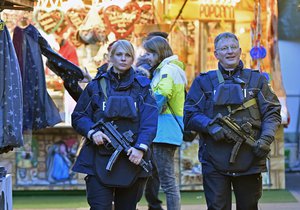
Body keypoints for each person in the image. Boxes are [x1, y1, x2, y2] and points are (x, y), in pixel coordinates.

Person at [184, 32, 282, 210]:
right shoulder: (204, 82)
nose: (229, 52)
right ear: (216, 54)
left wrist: (266, 139)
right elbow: (190, 114)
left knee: (249, 206)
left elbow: (272, 112)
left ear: (240, 51)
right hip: (213, 159)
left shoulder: (257, 80)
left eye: (233, 47)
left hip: (250, 157)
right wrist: (210, 126)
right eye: (224, 48)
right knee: (217, 207)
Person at [71, 40, 159, 210]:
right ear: (110, 57)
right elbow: (79, 116)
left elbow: (150, 121)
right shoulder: (96, 85)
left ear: (133, 59)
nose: (123, 59)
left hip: (132, 158)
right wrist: (91, 132)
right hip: (98, 157)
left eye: (127, 55)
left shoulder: (143, 87)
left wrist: (140, 148)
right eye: (119, 55)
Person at [143, 36, 187, 210]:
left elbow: (163, 92)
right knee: (159, 177)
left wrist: (150, 110)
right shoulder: (167, 68)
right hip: (164, 131)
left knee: (168, 182)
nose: (147, 57)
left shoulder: (167, 69)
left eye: (150, 53)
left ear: (159, 52)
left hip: (164, 131)